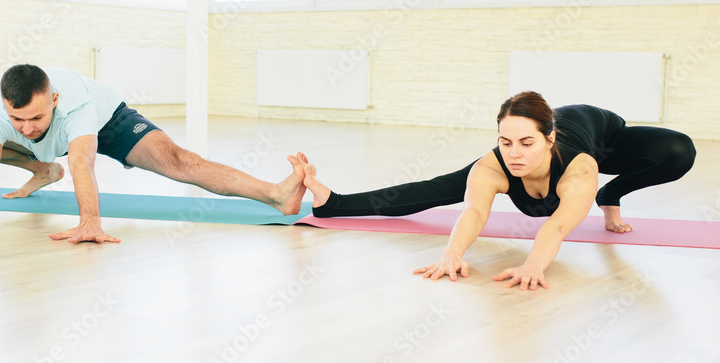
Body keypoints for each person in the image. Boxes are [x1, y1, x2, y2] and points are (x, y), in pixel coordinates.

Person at [297, 91, 696, 290]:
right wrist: (451, 254)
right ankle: (333, 203)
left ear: (549, 139)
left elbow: (556, 228)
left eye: (526, 144)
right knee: (440, 188)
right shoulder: (495, 165)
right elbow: (472, 213)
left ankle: (611, 197)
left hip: (601, 133)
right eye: (506, 142)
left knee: (679, 150)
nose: (515, 155)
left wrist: (534, 265)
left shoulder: (581, 169)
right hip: (559, 137)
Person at [0, 64, 307, 247]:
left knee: (180, 161)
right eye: (16, 118)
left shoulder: (76, 105)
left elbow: (82, 162)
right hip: (47, 147)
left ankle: (274, 193)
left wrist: (90, 222)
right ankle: (42, 167)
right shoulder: (0, 115)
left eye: (37, 116)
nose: (25, 127)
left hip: (108, 123)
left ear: (54, 99)